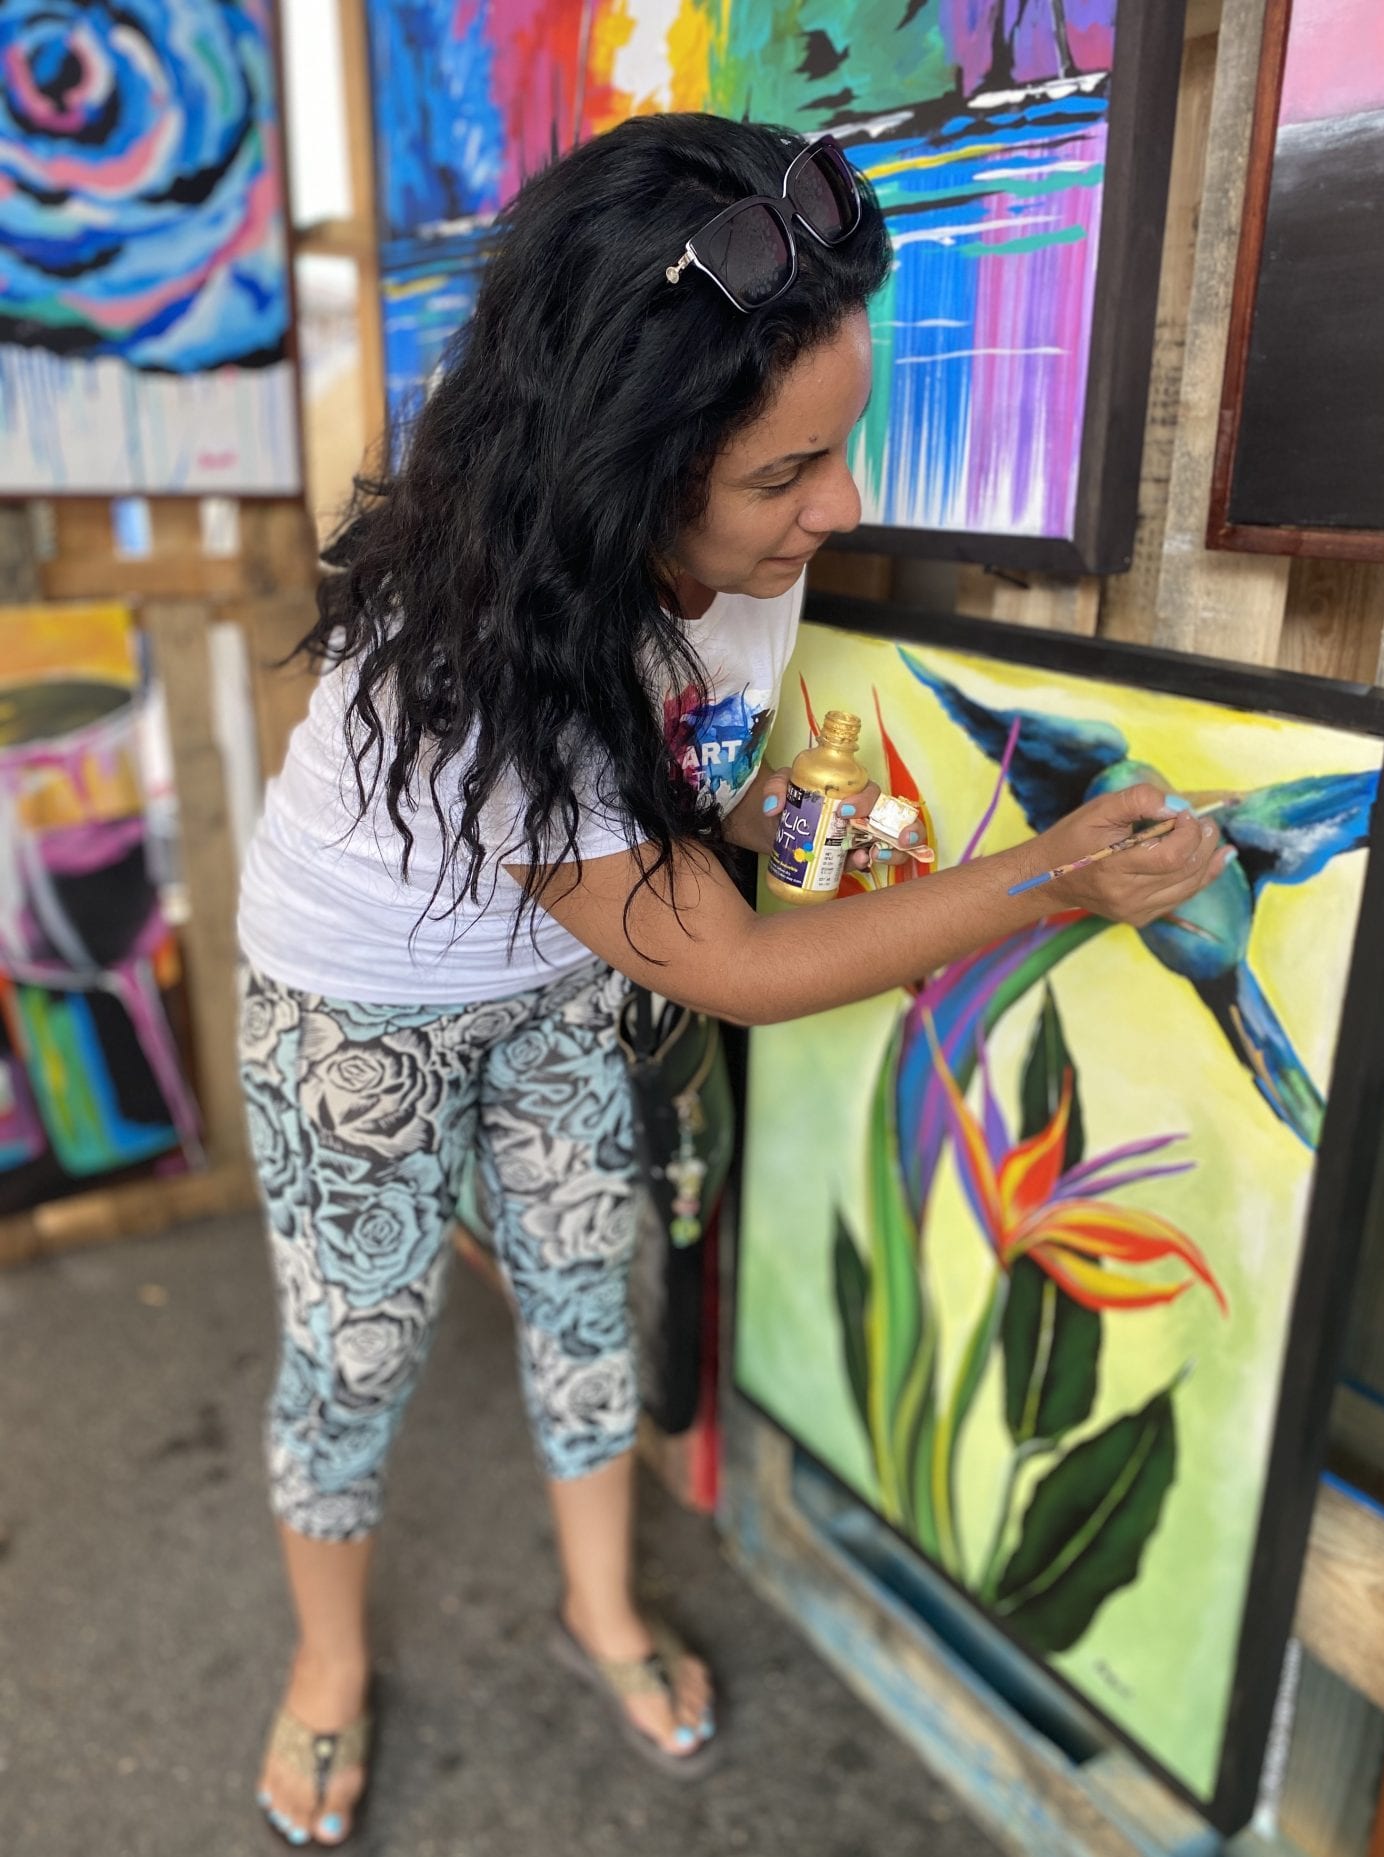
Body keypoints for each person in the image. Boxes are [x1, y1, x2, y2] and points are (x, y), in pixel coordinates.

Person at [236, 112, 1227, 1848]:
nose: (838, 509)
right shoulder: (489, 655)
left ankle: (601, 1604)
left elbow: (681, 777)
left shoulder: (742, 552)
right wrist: (1049, 876)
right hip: (357, 1004)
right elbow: (736, 962)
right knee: (359, 1346)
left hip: (558, 965)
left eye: (843, 446)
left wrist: (809, 811)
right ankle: (325, 1665)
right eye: (787, 476)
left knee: (582, 1295)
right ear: (622, 470)